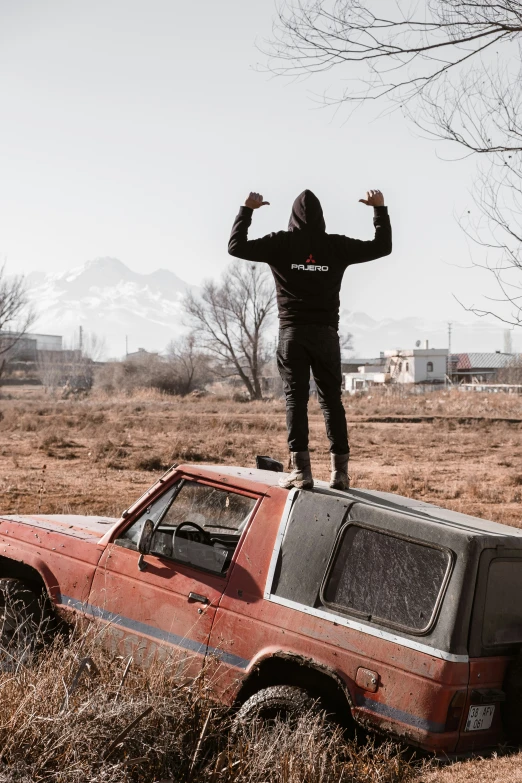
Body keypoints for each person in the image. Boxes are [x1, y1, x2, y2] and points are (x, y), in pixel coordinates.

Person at [228, 188, 392, 490]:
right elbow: (382, 247)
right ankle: (339, 474)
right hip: (326, 335)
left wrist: (247, 210)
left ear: (293, 217)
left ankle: (301, 473)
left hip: (293, 334)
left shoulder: (280, 244)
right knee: (332, 402)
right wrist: (379, 210)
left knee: (296, 401)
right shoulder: (335, 246)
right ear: (321, 218)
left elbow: (236, 247)